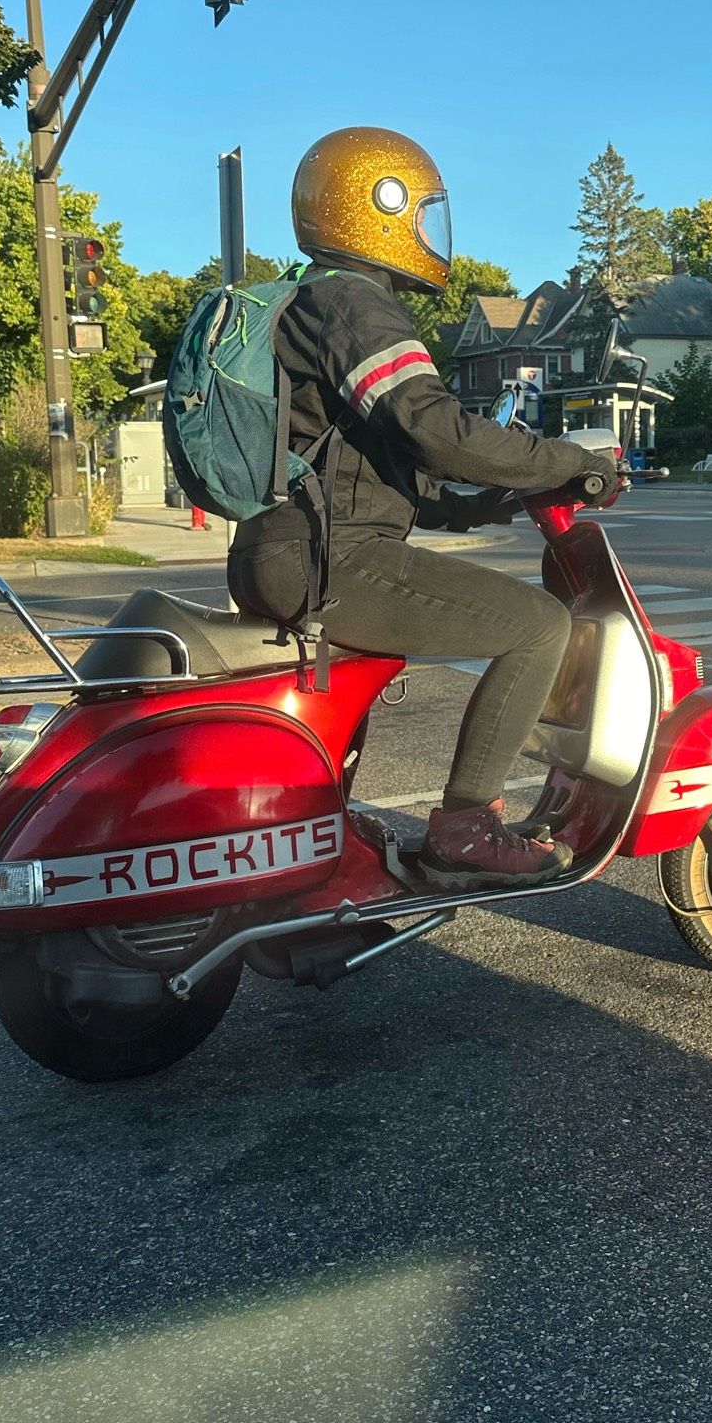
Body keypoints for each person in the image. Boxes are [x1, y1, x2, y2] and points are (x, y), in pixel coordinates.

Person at [228, 125, 619, 886]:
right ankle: (468, 827)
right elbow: (434, 429)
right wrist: (572, 462)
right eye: (422, 213)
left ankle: (322, 829)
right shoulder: (351, 303)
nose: (429, 233)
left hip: (291, 546)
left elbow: (393, 468)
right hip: (328, 557)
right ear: (379, 206)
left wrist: (497, 499)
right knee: (540, 626)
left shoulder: (317, 303)